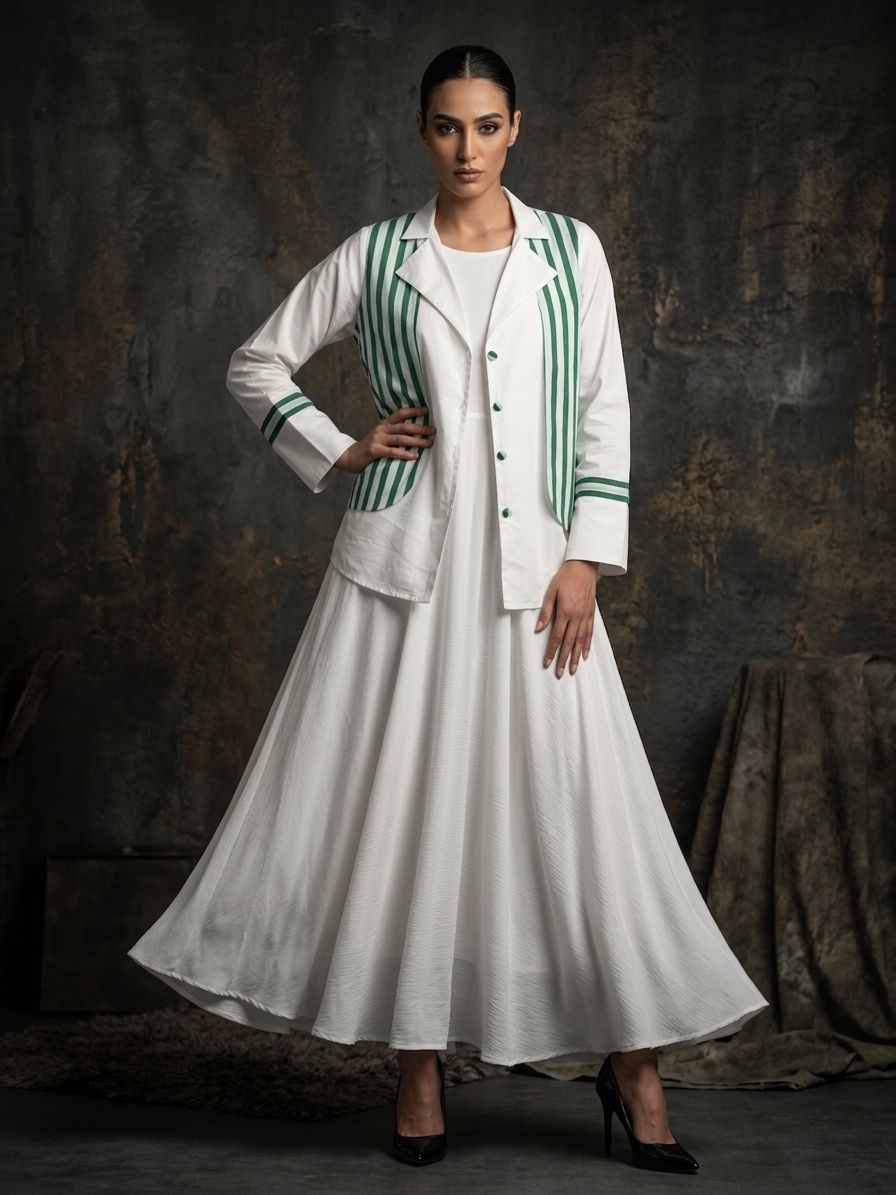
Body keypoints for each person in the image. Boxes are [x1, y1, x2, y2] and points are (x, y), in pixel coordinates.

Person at [127, 44, 768, 1173]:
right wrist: (339, 446)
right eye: (444, 126)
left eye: (484, 126)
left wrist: (587, 559)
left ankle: (633, 1069)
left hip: (537, 574)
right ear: (421, 131)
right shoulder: (378, 254)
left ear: (515, 128)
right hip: (403, 571)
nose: (465, 149)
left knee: (579, 813)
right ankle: (416, 1068)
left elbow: (603, 407)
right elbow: (255, 362)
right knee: (405, 808)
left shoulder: (570, 250)